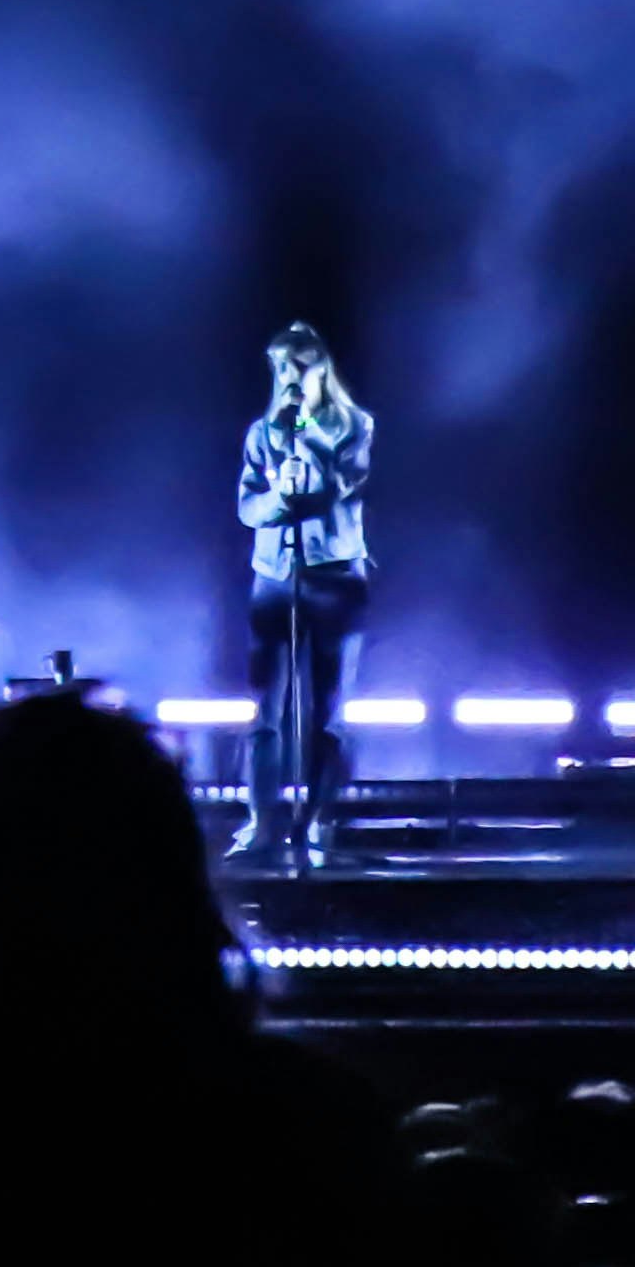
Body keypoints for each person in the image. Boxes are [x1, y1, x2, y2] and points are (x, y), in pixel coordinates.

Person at [234, 324, 376, 869]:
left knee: (328, 712)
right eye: (279, 370)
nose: (287, 380)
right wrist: (274, 498)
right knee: (264, 711)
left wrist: (308, 436)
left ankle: (319, 822)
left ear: (321, 368)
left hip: (335, 580)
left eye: (297, 368)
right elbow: (247, 506)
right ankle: (262, 823)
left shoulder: (353, 426)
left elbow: (337, 487)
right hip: (274, 577)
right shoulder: (261, 433)